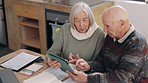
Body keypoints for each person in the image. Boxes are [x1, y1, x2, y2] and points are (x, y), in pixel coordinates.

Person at [66, 5, 148, 83]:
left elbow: (122, 78)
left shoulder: (137, 43)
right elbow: (101, 62)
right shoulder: (111, 36)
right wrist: (88, 66)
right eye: (104, 25)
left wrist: (88, 79)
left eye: (108, 26)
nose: (104, 30)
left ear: (122, 23)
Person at [46, 2, 105, 68]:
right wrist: (50, 60)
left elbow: (98, 63)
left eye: (84, 20)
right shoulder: (65, 29)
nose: (81, 25)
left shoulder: (99, 34)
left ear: (90, 19)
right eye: (77, 21)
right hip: (64, 71)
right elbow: (51, 52)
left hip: (86, 75)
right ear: (72, 21)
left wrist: (82, 63)